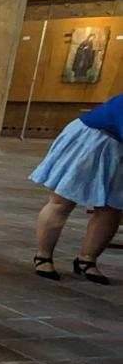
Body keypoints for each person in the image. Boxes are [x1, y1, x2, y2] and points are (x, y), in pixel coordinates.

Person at [30, 92, 123, 284]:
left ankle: (87, 260)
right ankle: (43, 256)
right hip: (92, 139)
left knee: (111, 208)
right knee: (62, 201)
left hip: (118, 148)